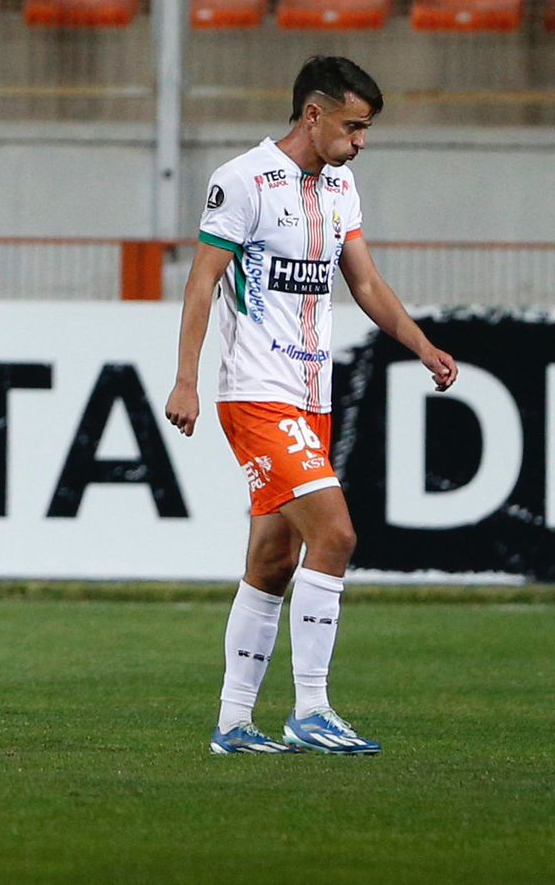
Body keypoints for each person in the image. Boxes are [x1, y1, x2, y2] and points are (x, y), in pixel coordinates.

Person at [164, 56, 457, 755]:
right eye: (354, 127)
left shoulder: (341, 187)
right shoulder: (242, 180)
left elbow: (366, 281)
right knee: (338, 535)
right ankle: (313, 708)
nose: (361, 142)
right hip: (257, 394)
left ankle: (234, 724)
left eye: (367, 130)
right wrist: (186, 379)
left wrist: (421, 343)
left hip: (311, 397)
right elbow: (202, 284)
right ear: (314, 115)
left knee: (271, 561)